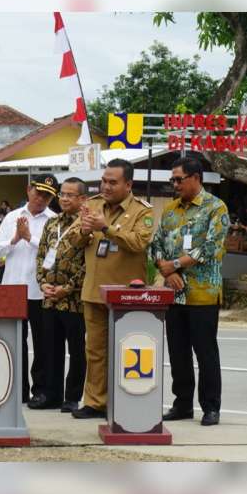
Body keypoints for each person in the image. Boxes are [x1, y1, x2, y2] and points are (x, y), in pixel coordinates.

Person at [68, 159, 155, 419]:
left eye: (113, 182)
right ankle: (95, 402)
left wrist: (105, 228)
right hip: (95, 291)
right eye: (104, 181)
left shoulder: (143, 211)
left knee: (127, 349)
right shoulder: (92, 205)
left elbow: (139, 242)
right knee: (94, 351)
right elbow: (72, 239)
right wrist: (83, 231)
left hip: (128, 295)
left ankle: (127, 400)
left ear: (128, 184)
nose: (106, 186)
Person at [151, 157, 229, 426]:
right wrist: (169, 272)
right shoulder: (170, 210)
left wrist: (172, 266)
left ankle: (211, 407)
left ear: (196, 177)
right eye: (172, 180)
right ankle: (182, 404)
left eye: (178, 179)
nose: (174, 184)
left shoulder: (215, 208)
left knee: (205, 353)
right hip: (174, 294)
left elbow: (210, 249)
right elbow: (156, 245)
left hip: (202, 293)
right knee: (178, 352)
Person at [0, 175, 59, 404]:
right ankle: (17, 389)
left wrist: (29, 237)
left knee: (42, 343)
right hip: (13, 288)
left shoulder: (54, 220)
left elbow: (55, 253)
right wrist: (14, 239)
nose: (41, 199)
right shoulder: (13, 216)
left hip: (39, 289)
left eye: (47, 195)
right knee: (14, 342)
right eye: (38, 192)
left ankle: (40, 390)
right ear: (29, 189)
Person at [33, 177, 88, 412]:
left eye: (70, 195)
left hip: (74, 300)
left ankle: (72, 396)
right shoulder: (51, 223)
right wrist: (42, 283)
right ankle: (51, 394)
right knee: (50, 349)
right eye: (62, 194)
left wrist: (69, 288)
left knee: (76, 351)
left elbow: (90, 264)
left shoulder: (87, 225)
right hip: (49, 298)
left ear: (82, 199)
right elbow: (41, 256)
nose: (64, 198)